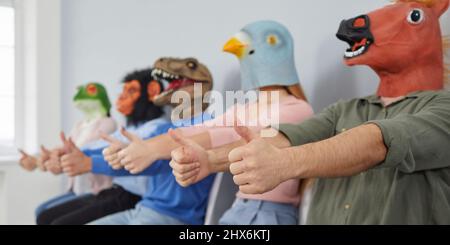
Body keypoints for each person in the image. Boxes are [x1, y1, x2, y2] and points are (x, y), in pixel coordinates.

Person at [169, 0, 450, 225]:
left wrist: (284, 163)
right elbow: (285, 139)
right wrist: (208, 160)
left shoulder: (443, 108)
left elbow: (378, 142)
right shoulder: (345, 109)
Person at [36, 69, 166, 225]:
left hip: (133, 196)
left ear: (153, 92)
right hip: (115, 190)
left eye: (131, 91)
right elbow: (99, 145)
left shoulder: (156, 128)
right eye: (123, 90)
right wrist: (62, 153)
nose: (122, 96)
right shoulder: (130, 128)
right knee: (45, 216)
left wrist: (84, 160)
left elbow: (121, 156)